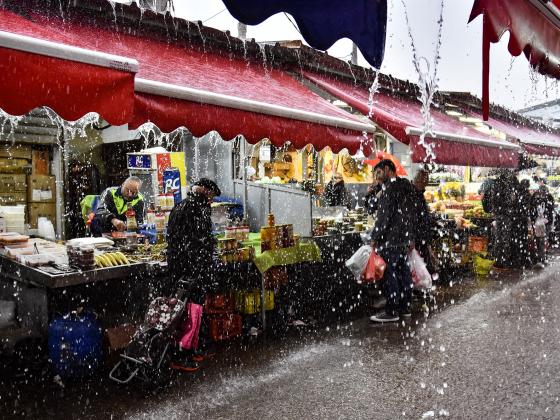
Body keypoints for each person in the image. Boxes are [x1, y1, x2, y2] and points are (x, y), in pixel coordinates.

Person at [166, 178, 221, 372]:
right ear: (205, 192)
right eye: (212, 196)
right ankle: (182, 353)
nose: (212, 201)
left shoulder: (180, 205)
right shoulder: (198, 209)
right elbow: (201, 241)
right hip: (192, 268)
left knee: (181, 308)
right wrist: (204, 265)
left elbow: (175, 238)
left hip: (179, 266)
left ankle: (190, 348)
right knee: (192, 310)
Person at [369, 159, 417, 323]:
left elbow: (383, 217)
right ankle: (405, 308)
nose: (376, 175)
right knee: (403, 273)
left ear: (388, 169)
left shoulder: (390, 189)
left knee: (389, 275)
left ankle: (392, 310)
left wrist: (374, 237)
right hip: (402, 240)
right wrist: (411, 236)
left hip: (389, 240)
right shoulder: (405, 187)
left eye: (379, 172)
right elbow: (411, 214)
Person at [488, 170, 518, 268]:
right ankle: (504, 260)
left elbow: (492, 200)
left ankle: (497, 260)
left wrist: (495, 211)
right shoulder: (508, 186)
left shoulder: (495, 184)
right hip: (505, 215)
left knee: (498, 238)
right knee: (505, 238)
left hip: (498, 215)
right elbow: (511, 201)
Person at [411, 168, 436, 274]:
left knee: (423, 265)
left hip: (422, 235)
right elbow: (412, 217)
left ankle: (423, 285)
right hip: (416, 236)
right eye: (425, 180)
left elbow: (422, 214)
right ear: (419, 180)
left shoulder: (419, 192)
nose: (427, 183)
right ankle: (419, 286)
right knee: (418, 266)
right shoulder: (412, 193)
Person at [530, 184, 555, 268]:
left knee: (541, 241)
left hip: (541, 224)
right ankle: (542, 258)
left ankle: (541, 258)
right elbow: (551, 210)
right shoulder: (545, 198)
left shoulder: (536, 198)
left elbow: (532, 211)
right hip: (541, 223)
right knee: (541, 241)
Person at [511, 179, 532, 268]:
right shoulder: (527, 194)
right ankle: (523, 260)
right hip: (522, 220)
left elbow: (513, 204)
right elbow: (528, 208)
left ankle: (516, 259)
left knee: (516, 239)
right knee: (523, 239)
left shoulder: (516, 192)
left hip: (516, 219)